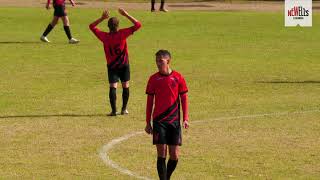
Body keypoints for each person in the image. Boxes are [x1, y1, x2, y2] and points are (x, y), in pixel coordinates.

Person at [145, 50, 189, 180]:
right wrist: (148, 122)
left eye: (161, 61)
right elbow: (149, 102)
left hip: (174, 121)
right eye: (157, 61)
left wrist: (185, 118)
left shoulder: (178, 77)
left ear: (168, 61)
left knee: (174, 155)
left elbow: (184, 99)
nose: (158, 63)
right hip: (159, 121)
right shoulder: (153, 79)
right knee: (161, 154)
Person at [89, 9, 142, 116]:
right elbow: (138, 25)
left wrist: (102, 18)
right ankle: (124, 109)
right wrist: (126, 14)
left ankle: (113, 111)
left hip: (112, 66)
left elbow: (91, 26)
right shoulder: (122, 33)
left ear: (108, 26)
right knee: (125, 86)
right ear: (118, 26)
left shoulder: (104, 36)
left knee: (113, 86)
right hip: (124, 65)